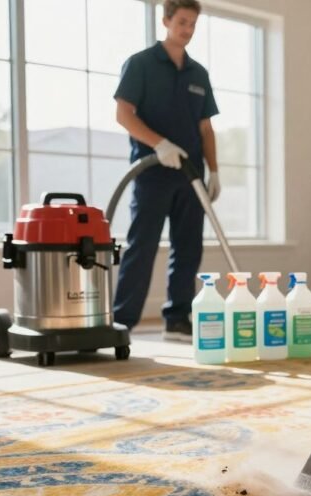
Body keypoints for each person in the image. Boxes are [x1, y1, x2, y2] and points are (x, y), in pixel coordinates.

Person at [112, 0, 220, 342]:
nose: (187, 30)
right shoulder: (141, 64)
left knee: (188, 248)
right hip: (152, 172)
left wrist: (214, 172)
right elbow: (124, 115)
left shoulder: (198, 73)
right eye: (182, 22)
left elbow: (205, 129)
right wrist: (159, 144)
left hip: (190, 174)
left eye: (192, 24)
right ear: (166, 21)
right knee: (141, 246)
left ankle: (177, 318)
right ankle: (122, 322)